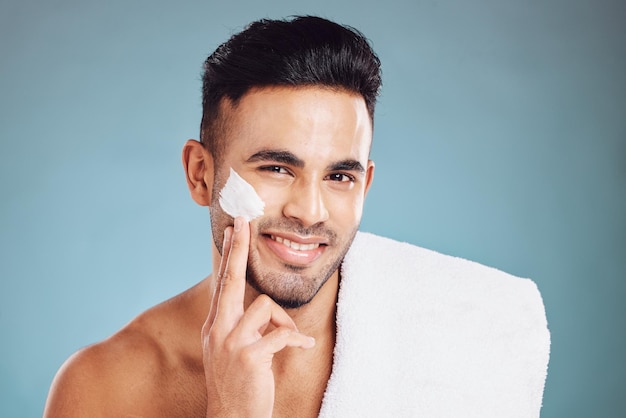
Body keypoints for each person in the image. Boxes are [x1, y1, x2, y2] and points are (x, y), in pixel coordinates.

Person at [44, 16, 550, 418]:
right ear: (201, 175)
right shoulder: (103, 390)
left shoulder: (468, 342)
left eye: (339, 177)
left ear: (365, 186)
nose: (309, 211)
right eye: (277, 168)